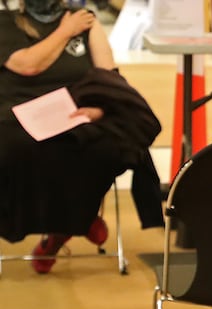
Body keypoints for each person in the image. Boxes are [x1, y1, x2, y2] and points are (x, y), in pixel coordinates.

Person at [0, 0, 164, 273]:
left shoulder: (85, 20)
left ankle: (74, 221)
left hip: (75, 113)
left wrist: (99, 108)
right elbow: (28, 65)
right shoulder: (6, 22)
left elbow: (108, 75)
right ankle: (75, 220)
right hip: (20, 115)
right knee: (18, 149)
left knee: (113, 145)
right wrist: (66, 31)